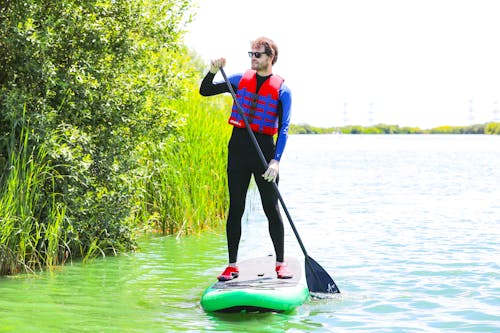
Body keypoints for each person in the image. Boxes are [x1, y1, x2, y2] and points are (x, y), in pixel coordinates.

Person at [199, 37, 293, 281]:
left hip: (264, 153)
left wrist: (276, 161)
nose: (253, 58)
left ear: (270, 58)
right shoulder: (240, 80)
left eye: (258, 54)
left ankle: (280, 264)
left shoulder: (283, 90)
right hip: (238, 149)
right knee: (236, 208)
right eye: (250, 53)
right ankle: (232, 265)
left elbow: (283, 128)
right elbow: (205, 90)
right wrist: (210, 71)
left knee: (271, 208)